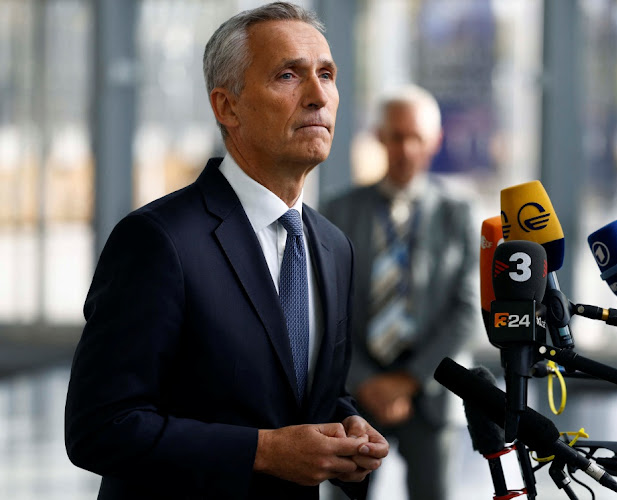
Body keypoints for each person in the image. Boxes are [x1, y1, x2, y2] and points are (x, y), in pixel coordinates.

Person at [64, 3, 388, 499]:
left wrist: (346, 423)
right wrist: (263, 451)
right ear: (227, 106)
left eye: (327, 74)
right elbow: (100, 427)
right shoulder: (158, 240)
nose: (318, 95)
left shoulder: (332, 245)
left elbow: (300, 389)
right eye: (288, 75)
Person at [322, 85, 480, 500]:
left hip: (430, 394)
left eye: (416, 138)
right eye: (396, 136)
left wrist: (408, 380)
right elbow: (324, 309)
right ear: (379, 137)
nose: (405, 149)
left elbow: (466, 311)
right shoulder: (337, 212)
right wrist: (366, 381)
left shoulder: (459, 213)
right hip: (356, 394)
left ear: (434, 142)